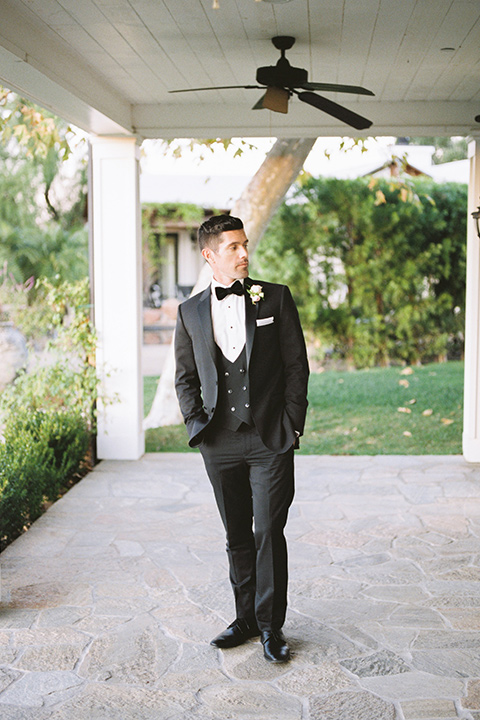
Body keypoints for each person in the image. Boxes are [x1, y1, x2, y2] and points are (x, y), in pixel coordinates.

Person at [174, 214, 309, 663]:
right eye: (233, 247)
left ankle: (271, 627)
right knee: (236, 534)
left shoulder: (276, 298)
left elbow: (296, 366)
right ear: (209, 255)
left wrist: (292, 424)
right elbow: (185, 378)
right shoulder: (189, 311)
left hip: (270, 437)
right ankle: (244, 618)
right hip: (219, 441)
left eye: (245, 244)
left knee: (268, 531)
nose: (244, 254)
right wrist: (197, 427)